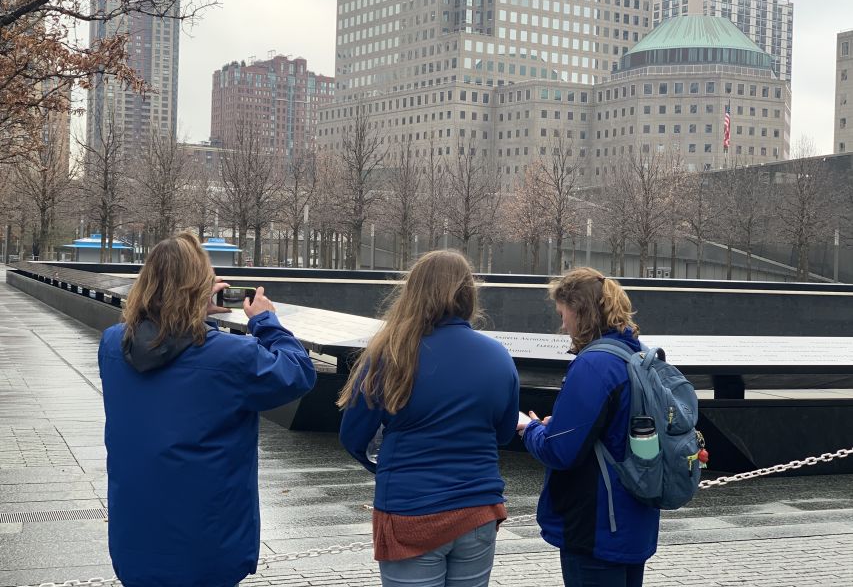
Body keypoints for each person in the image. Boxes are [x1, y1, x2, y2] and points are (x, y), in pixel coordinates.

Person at [98, 232, 317, 587]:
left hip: (135, 541)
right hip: (208, 544)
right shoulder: (231, 356)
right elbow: (298, 374)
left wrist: (197, 315)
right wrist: (266, 322)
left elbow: (169, 346)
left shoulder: (112, 344)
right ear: (201, 287)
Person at [338, 250, 520, 587]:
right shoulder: (498, 357)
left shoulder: (388, 354)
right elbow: (505, 434)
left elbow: (352, 437)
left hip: (409, 510)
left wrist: (385, 468)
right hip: (478, 508)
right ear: (468, 294)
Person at [517, 267, 659, 587]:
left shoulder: (594, 364)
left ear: (579, 311)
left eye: (563, 312)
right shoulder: (637, 353)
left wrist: (532, 428)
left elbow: (560, 451)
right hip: (635, 519)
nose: (562, 324)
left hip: (597, 526)